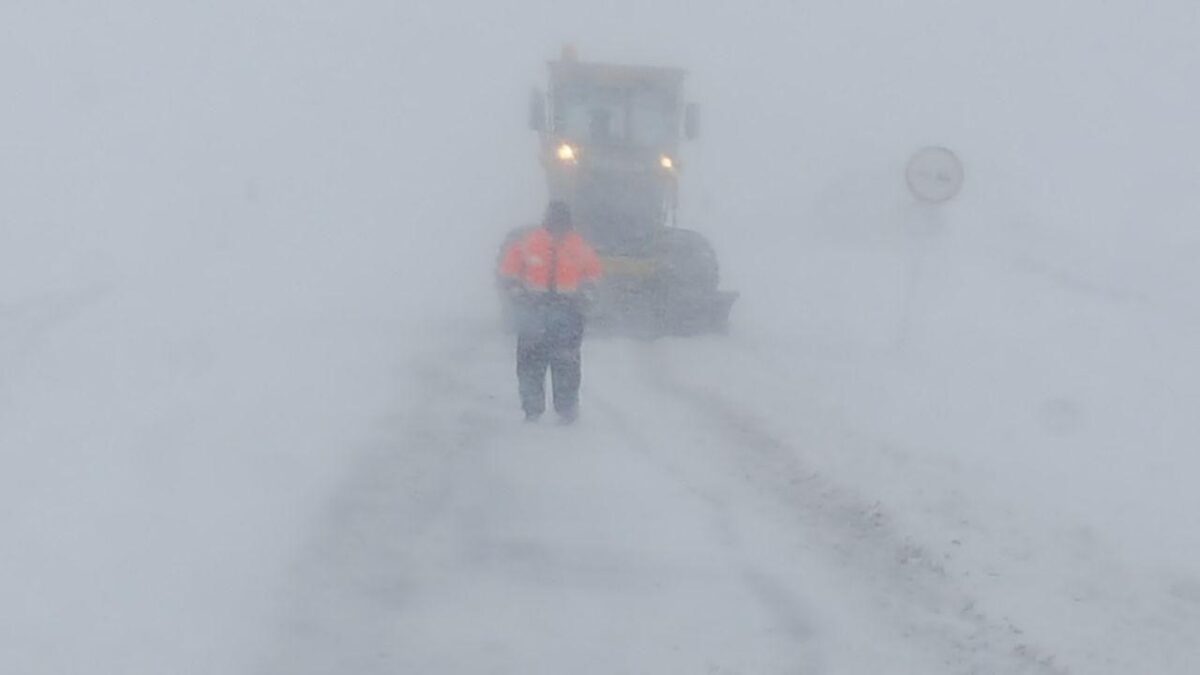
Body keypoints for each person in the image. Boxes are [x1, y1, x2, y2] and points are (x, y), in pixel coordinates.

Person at [498, 201, 602, 423]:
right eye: (555, 220)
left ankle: (566, 410)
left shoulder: (579, 246)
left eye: (561, 220)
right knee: (531, 364)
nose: (558, 225)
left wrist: (586, 295)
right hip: (533, 312)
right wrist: (517, 294)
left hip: (568, 314)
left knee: (565, 364)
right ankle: (533, 410)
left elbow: (592, 276)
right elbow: (509, 273)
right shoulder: (528, 243)